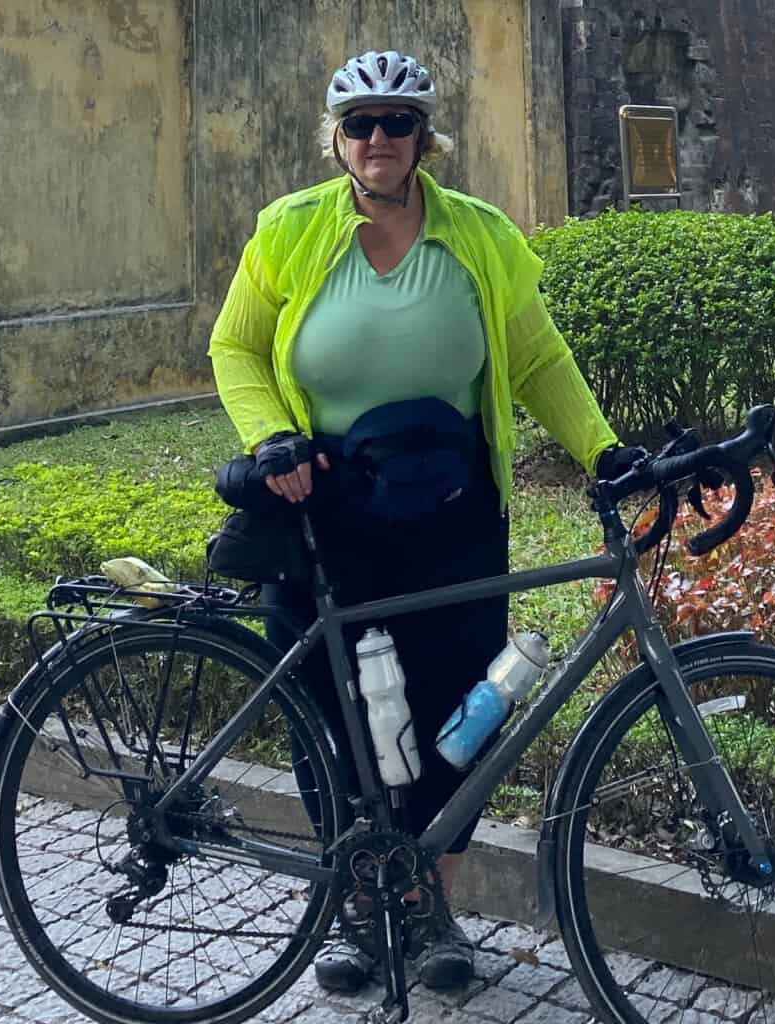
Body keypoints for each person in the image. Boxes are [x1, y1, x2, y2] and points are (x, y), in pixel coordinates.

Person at [208, 49, 641, 994]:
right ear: (337, 139)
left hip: (452, 515)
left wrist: (603, 450)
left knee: (462, 711)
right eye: (360, 124)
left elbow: (536, 361)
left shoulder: (479, 234)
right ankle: (358, 908)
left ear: (422, 137)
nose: (378, 141)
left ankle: (432, 902)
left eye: (396, 123)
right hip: (327, 516)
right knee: (335, 715)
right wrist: (273, 437)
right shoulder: (287, 231)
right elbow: (234, 347)